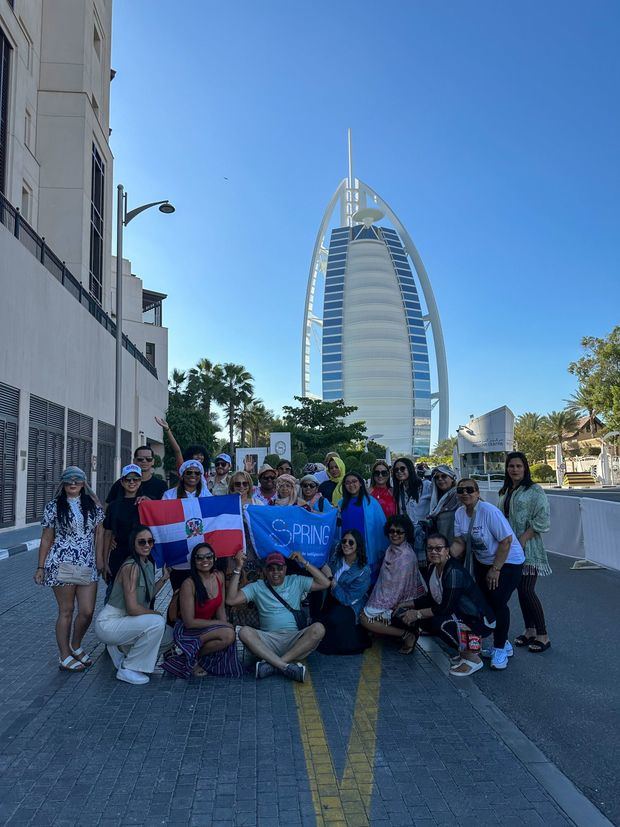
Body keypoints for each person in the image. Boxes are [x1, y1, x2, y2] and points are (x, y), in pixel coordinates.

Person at [34, 467, 105, 672]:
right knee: (66, 611)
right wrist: (40, 567)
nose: (72, 484)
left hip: (87, 564)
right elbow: (47, 538)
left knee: (87, 611)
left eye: (77, 480)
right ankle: (64, 655)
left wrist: (99, 560)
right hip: (60, 563)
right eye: (68, 481)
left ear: (83, 483)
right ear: (62, 484)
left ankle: (75, 644)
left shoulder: (93, 505)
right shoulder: (54, 506)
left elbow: (99, 534)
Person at [451, 479, 525, 671]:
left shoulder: (489, 511)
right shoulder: (459, 513)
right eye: (461, 490)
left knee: (498, 603)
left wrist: (496, 569)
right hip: (482, 562)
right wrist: (445, 555)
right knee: (485, 604)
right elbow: (460, 541)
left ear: (477, 492)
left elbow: (506, 541)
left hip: (507, 562)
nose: (465, 493)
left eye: (470, 490)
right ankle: (503, 642)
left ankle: (500, 647)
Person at [399, 533, 496, 677]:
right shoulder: (433, 568)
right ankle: (463, 652)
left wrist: (416, 613)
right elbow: (431, 599)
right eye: (430, 548)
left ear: (447, 551)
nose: (433, 552)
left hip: (479, 620)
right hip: (461, 615)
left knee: (439, 622)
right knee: (426, 620)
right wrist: (407, 604)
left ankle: (473, 658)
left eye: (438, 548)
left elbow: (445, 608)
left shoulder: (453, 572)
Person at [226, 550, 330, 682]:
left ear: (285, 569)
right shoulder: (257, 586)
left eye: (279, 568)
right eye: (271, 569)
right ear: (265, 571)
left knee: (319, 629)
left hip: (295, 640)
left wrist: (304, 562)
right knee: (244, 632)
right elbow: (231, 600)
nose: (276, 572)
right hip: (268, 641)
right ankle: (285, 666)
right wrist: (238, 568)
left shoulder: (295, 581)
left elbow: (325, 583)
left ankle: (273, 665)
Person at [95, 526, 172, 685]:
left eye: (150, 541)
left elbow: (147, 595)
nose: (146, 545)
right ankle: (128, 668)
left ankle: (122, 652)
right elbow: (132, 608)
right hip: (110, 623)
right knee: (157, 623)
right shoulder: (131, 567)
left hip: (125, 621)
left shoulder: (147, 564)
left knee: (169, 636)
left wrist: (164, 578)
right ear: (133, 544)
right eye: (141, 542)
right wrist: (156, 614)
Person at [161, 543, 242, 679]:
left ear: (214, 558)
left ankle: (192, 657)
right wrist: (222, 626)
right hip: (188, 630)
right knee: (228, 633)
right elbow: (189, 622)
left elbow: (220, 608)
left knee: (228, 635)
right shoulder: (189, 583)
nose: (205, 561)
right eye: (200, 558)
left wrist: (223, 625)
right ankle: (190, 658)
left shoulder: (219, 576)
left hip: (207, 627)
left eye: (208, 557)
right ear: (194, 561)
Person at [498, 452, 552, 653]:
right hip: (509, 549)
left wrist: (525, 537)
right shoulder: (506, 490)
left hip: (528, 548)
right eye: (511, 466)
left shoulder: (534, 490)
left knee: (528, 590)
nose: (514, 469)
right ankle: (529, 630)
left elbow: (543, 518)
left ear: (525, 468)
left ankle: (543, 635)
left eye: (519, 466)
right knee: (521, 592)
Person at [360, 515, 427, 654]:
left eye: (399, 532)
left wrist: (379, 608)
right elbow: (383, 583)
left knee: (365, 619)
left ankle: (406, 635)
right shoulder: (390, 550)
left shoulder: (405, 557)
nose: (395, 534)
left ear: (406, 533)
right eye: (392, 531)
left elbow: (398, 590)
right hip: (388, 600)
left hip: (400, 604)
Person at [317, 530, 371, 655]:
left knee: (333, 620)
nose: (346, 544)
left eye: (351, 542)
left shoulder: (363, 570)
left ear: (358, 545)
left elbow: (348, 600)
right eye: (344, 541)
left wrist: (332, 580)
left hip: (349, 605)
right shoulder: (337, 556)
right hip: (331, 599)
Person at [162, 459, 211, 590]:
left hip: (201, 556)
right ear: (182, 475)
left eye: (197, 473)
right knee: (178, 593)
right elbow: (164, 524)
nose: (193, 476)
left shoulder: (207, 495)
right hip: (179, 555)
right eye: (189, 473)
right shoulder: (169, 495)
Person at [339, 472, 387, 584]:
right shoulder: (341, 503)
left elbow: (380, 526)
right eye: (347, 483)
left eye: (354, 481)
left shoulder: (371, 502)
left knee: (368, 582)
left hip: (367, 547)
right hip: (348, 546)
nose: (351, 485)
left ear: (360, 483)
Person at [102, 464, 143, 583]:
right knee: (115, 597)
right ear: (122, 482)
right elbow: (107, 534)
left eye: (135, 479)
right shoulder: (113, 506)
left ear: (140, 481)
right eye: (128, 479)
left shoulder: (145, 504)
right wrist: (105, 562)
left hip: (141, 556)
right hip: (118, 556)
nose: (132, 482)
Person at [392, 457, 432, 568]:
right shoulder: (399, 490)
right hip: (407, 537)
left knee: (423, 568)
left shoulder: (426, 485)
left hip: (423, 536)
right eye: (396, 470)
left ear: (409, 468)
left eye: (402, 468)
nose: (399, 472)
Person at [155, 416, 210, 487]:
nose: (199, 457)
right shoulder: (183, 467)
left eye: (201, 455)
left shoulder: (205, 472)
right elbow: (177, 451)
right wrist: (167, 429)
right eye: (196, 454)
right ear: (190, 455)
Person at [426, 465, 459, 545]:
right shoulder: (436, 499)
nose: (440, 479)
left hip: (455, 545)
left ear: (452, 478)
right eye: (437, 477)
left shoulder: (459, 495)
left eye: (444, 476)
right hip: (440, 545)